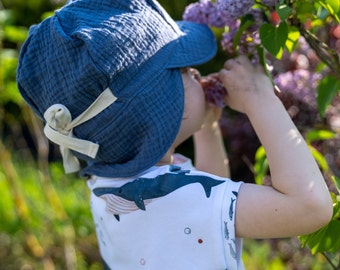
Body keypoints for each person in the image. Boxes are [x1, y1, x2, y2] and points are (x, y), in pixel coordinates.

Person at [16, 0, 333, 269]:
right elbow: (310, 208)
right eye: (182, 71)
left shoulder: (114, 183)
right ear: (155, 110)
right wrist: (261, 100)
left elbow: (205, 202)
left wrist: (207, 127)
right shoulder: (171, 196)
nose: (195, 71)